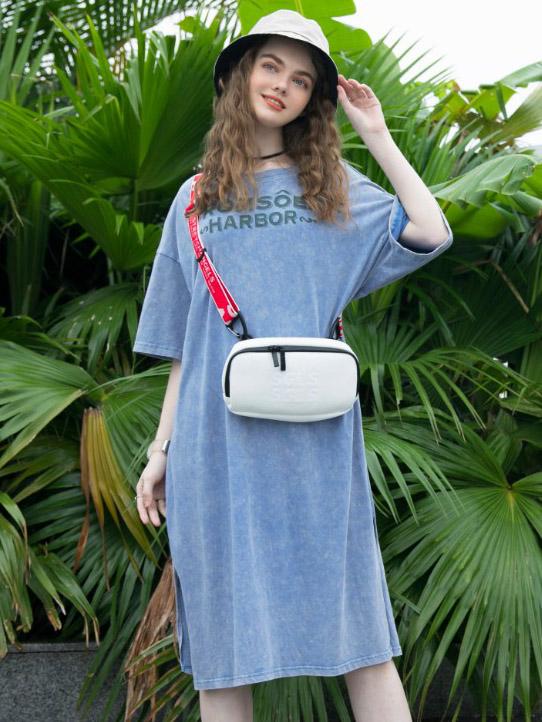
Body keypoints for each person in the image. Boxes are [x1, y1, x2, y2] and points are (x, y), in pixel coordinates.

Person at [132, 9, 453, 722]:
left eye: (302, 79)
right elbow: (185, 346)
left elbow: (430, 230)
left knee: (359, 635)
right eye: (271, 66)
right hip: (214, 450)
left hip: (316, 444)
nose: (282, 85)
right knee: (223, 649)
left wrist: (377, 135)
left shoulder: (332, 189)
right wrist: (160, 451)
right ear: (239, 74)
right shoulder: (193, 201)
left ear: (314, 101)